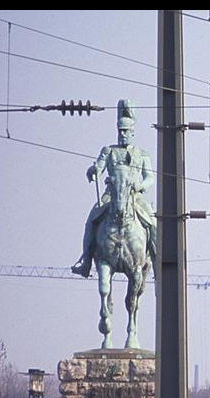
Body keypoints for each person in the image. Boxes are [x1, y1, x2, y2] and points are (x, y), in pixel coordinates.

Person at [71, 99, 157, 277]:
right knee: (92, 219)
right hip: (111, 195)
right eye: (120, 131)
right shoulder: (108, 150)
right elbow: (99, 167)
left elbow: (150, 177)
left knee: (153, 223)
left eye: (126, 131)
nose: (123, 134)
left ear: (133, 132)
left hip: (134, 196)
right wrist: (94, 170)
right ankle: (86, 261)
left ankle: (157, 261)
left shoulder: (141, 154)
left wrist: (140, 186)